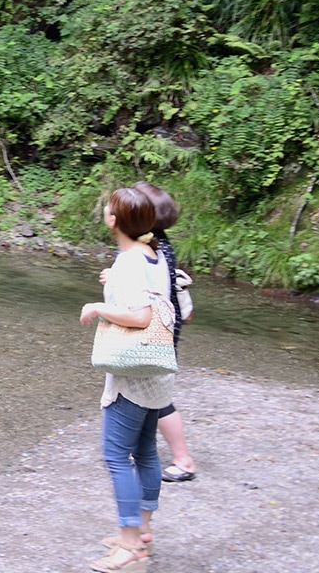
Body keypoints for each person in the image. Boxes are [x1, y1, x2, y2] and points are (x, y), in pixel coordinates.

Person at [80, 185, 175, 572]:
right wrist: (113, 283)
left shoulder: (130, 261)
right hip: (156, 372)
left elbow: (140, 316)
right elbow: (148, 297)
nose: (105, 211)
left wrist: (98, 305)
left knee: (117, 456)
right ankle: (142, 533)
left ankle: (129, 544)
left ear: (114, 221)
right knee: (147, 452)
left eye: (108, 209)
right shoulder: (153, 255)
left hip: (131, 376)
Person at [135, 180, 198, 482]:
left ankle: (183, 460)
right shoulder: (160, 245)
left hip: (157, 337)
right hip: (163, 335)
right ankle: (138, 450)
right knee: (146, 396)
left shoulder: (150, 250)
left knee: (158, 401)